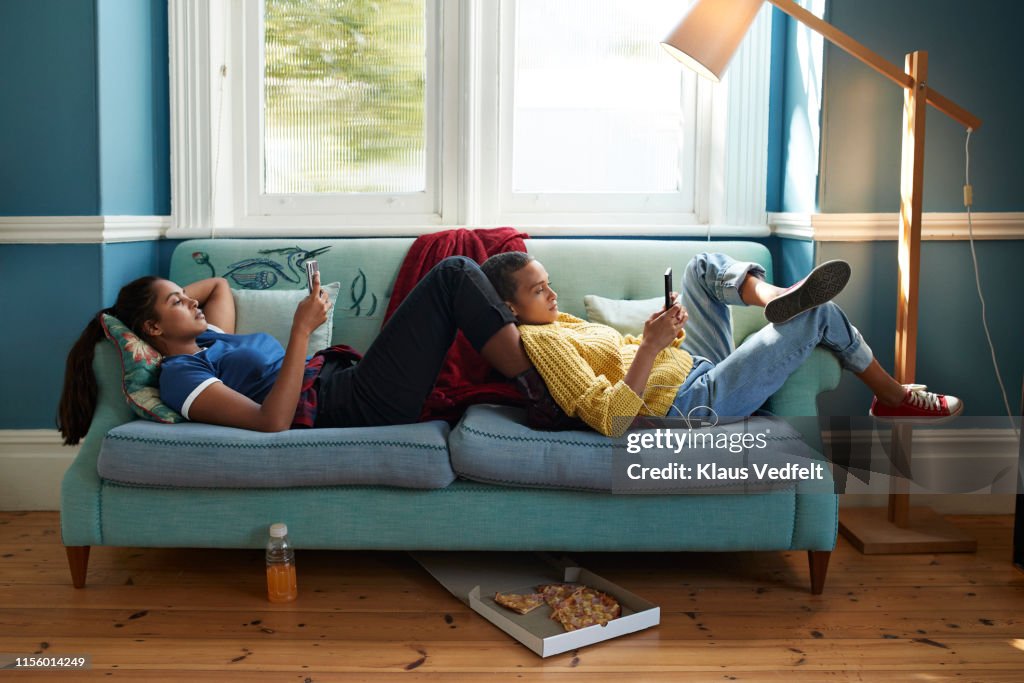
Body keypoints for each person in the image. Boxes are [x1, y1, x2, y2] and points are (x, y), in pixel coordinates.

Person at [58, 257, 559, 445]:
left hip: (348, 384)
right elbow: (270, 422)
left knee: (465, 272)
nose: (190, 300)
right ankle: (543, 391)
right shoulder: (181, 374)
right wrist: (301, 330)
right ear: (152, 326)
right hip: (351, 405)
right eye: (175, 301)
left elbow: (216, 288)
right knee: (453, 274)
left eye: (181, 294)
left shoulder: (208, 336)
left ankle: (544, 377)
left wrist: (167, 311)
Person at [480, 251, 963, 437]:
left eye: (548, 281)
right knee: (821, 314)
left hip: (693, 368)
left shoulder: (559, 322)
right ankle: (893, 396)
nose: (552, 292)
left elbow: (624, 353)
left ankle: (777, 296)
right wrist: (650, 347)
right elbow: (611, 418)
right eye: (538, 289)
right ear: (510, 308)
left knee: (700, 267)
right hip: (688, 404)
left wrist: (662, 333)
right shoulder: (540, 342)